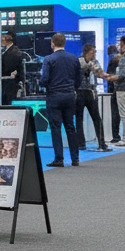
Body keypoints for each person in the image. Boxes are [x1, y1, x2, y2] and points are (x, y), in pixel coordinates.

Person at [39, 32, 81, 167]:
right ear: (64, 43)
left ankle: (59, 158)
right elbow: (78, 80)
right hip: (69, 95)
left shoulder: (48, 59)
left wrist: (43, 84)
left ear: (52, 44)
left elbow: (44, 79)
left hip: (54, 96)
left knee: (56, 128)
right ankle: (75, 158)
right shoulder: (74, 58)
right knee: (70, 127)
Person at [75, 43, 111, 153]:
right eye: (93, 52)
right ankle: (81, 143)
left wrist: (109, 76)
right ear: (87, 52)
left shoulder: (95, 62)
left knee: (96, 118)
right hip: (79, 92)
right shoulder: (78, 61)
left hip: (91, 92)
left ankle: (102, 143)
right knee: (79, 119)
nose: (95, 53)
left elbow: (100, 73)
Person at [105, 44, 121, 143]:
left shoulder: (113, 61)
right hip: (124, 89)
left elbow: (109, 76)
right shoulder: (123, 60)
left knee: (115, 114)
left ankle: (116, 136)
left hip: (114, 91)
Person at [0, 33, 22, 105]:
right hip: (7, 82)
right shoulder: (7, 50)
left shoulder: (14, 52)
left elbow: (10, 66)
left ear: (7, 41)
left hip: (10, 82)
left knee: (8, 101)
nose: (1, 42)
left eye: (2, 40)